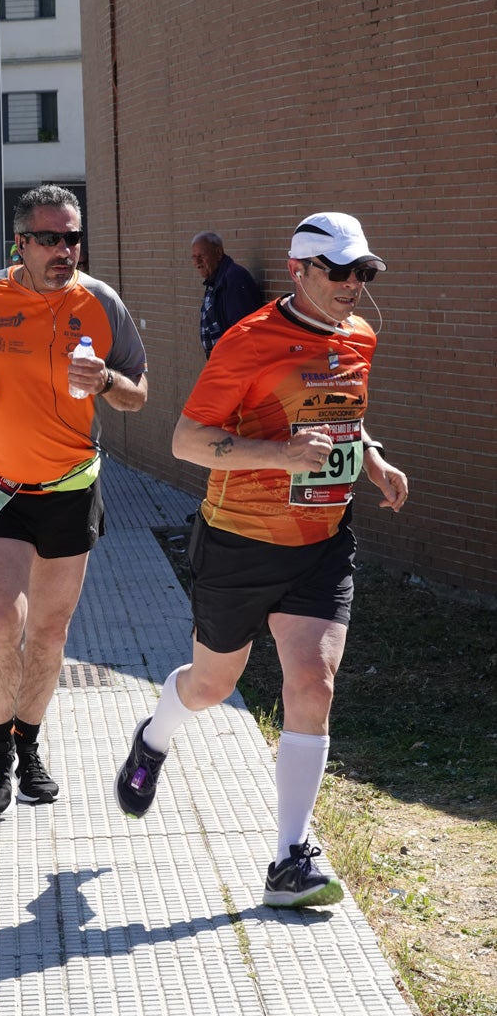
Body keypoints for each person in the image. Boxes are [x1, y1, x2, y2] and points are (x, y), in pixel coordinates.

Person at [115, 212, 408, 909]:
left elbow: (340, 413)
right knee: (212, 686)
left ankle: (289, 858)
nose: (352, 286)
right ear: (299, 269)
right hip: (238, 542)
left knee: (314, 682)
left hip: (321, 542)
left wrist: (369, 457)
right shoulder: (247, 342)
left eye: (361, 272)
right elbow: (188, 439)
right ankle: (154, 738)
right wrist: (277, 456)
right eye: (338, 272)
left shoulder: (359, 335)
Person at [0, 184, 147, 813]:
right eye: (49, 238)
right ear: (19, 242)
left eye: (72, 236)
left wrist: (106, 381)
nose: (64, 249)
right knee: (0, 622)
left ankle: (30, 746)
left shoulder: (101, 301)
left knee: (49, 633)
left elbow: (140, 392)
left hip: (70, 488)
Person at [191, 232, 264, 359]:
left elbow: (243, 330)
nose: (197, 262)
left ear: (218, 253)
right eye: (194, 256)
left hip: (234, 364)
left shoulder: (234, 279)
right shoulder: (214, 281)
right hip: (221, 363)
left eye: (202, 255)